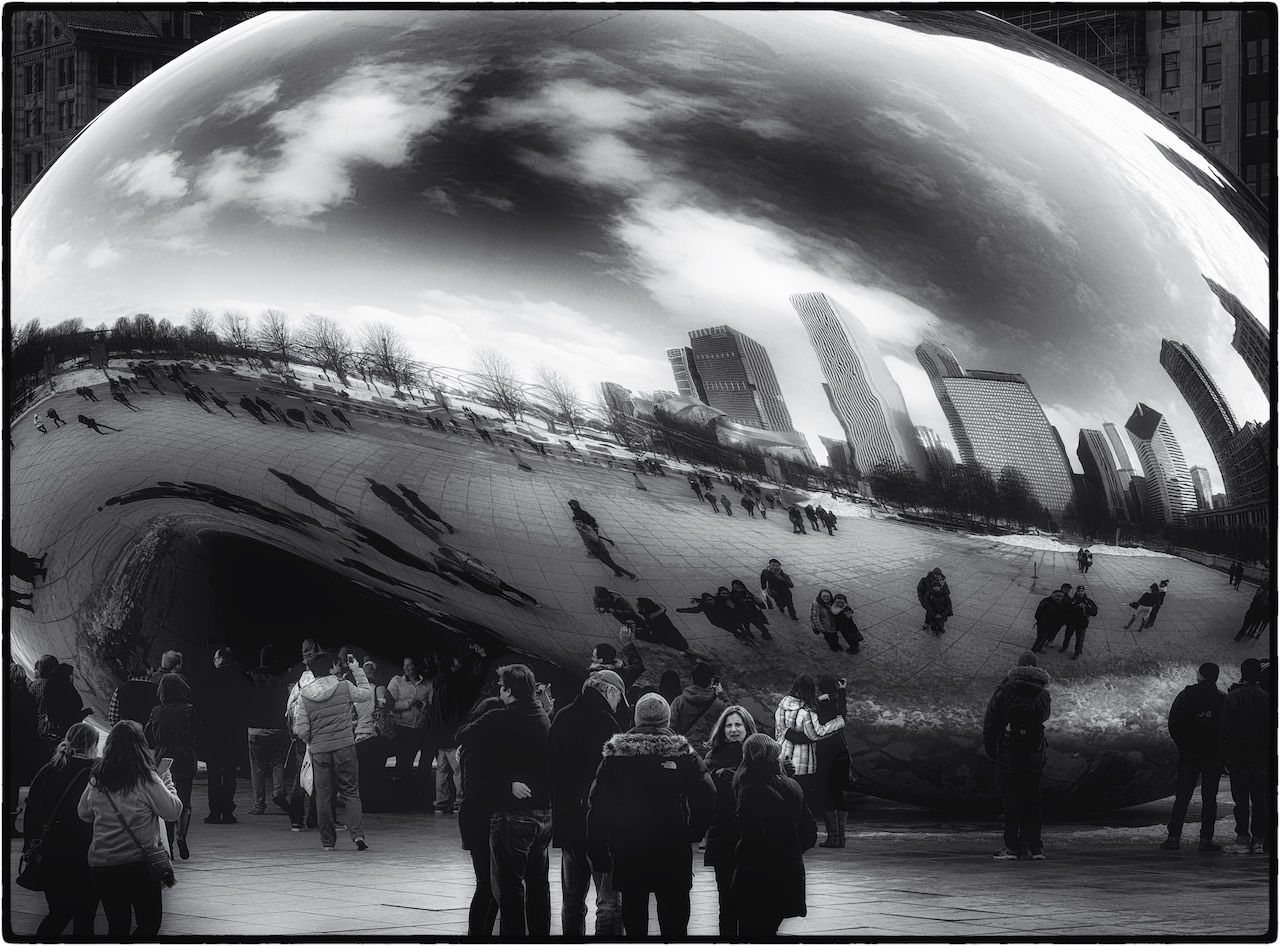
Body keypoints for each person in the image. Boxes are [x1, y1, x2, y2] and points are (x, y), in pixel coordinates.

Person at [586, 693, 715, 939]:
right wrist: (694, 831)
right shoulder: (683, 753)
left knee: (634, 916)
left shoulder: (615, 755)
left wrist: (598, 850)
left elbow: (598, 805)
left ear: (636, 718)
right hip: (672, 846)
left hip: (629, 846)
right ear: (667, 720)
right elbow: (707, 793)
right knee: (674, 917)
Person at [455, 664, 552, 938]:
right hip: (486, 819)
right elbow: (474, 786)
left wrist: (507, 785)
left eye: (502, 688)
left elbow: (461, 735)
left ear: (509, 690)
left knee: (504, 891)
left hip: (507, 817)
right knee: (493, 886)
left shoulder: (503, 722)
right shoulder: (539, 717)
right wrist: (506, 785)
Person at [77, 721, 183, 939]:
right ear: (140, 745)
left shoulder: (97, 777)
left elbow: (83, 813)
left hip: (103, 865)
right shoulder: (146, 778)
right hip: (138, 867)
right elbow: (172, 812)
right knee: (149, 923)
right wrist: (168, 782)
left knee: (117, 926)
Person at [548, 670, 626, 937]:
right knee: (608, 901)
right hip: (599, 826)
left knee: (571, 900)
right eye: (619, 699)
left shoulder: (561, 717)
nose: (618, 706)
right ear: (610, 692)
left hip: (568, 823)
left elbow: (551, 768)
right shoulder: (605, 722)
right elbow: (615, 776)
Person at [731, 733, 817, 939]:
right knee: (769, 929)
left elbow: (753, 838)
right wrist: (791, 850)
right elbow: (810, 832)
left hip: (758, 878)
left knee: (753, 931)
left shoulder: (751, 790)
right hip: (788, 871)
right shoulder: (793, 785)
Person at [23, 722, 99, 938]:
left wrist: (31, 843)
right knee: (85, 919)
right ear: (93, 744)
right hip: (86, 854)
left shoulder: (49, 769)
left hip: (52, 854)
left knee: (57, 912)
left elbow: (32, 810)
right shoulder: (97, 771)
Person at [293, 651, 373, 851]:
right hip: (345, 746)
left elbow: (301, 729)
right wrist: (357, 669)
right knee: (350, 792)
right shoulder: (344, 686)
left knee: (323, 796)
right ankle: (357, 836)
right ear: (331, 668)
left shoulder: (304, 696)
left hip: (320, 751)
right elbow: (366, 693)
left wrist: (314, 740)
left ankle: (328, 842)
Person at [982, 652, 1051, 860]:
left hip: (1009, 752)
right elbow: (1044, 717)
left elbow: (991, 722)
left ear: (1017, 667)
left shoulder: (1004, 691)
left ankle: (1011, 847)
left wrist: (992, 749)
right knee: (1033, 800)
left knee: (1011, 800)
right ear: (1037, 669)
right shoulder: (1043, 694)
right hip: (1035, 754)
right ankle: (1035, 847)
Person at [702, 705, 758, 938]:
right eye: (729, 725)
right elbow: (703, 794)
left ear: (747, 728)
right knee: (726, 900)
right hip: (723, 837)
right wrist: (715, 776)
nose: (733, 730)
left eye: (738, 725)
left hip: (752, 837)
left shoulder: (757, 755)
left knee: (751, 902)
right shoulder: (712, 757)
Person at [1161, 662, 1225, 852]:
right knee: (1209, 798)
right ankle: (1205, 840)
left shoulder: (1185, 696)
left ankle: (1173, 838)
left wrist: (1183, 744)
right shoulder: (1222, 699)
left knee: (1182, 796)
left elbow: (1174, 722)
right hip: (1212, 755)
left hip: (1189, 754)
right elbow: (1226, 727)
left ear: (1200, 676)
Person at [457, 696, 503, 937]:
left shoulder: (477, 744)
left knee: (491, 885)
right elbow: (474, 786)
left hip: (478, 818)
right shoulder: (475, 747)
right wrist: (507, 786)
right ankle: (476, 935)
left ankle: (480, 934)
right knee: (487, 884)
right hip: (478, 820)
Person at [144, 673, 203, 860]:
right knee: (184, 801)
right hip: (185, 757)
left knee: (166, 800)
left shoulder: (156, 711)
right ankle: (181, 836)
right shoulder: (188, 709)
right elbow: (200, 730)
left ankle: (168, 844)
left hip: (163, 759)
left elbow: (147, 735)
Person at [429, 646, 490, 816]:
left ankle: (441, 804)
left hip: (439, 735)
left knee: (441, 770)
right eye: (456, 659)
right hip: (451, 736)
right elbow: (472, 684)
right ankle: (460, 802)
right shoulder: (452, 684)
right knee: (458, 770)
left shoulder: (439, 682)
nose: (459, 662)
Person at [1218, 658, 1270, 854]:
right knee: (1259, 800)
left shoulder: (1233, 697)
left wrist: (1222, 757)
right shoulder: (1266, 697)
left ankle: (1242, 837)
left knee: (1241, 801)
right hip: (1261, 757)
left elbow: (1225, 729)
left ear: (1242, 673)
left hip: (1239, 757)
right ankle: (1258, 839)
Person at [775, 674, 845, 818]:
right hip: (803, 763)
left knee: (784, 798)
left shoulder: (782, 706)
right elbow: (816, 734)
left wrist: (791, 734)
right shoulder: (807, 712)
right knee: (801, 801)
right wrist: (838, 722)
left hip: (782, 757)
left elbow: (780, 731)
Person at [204, 647, 248, 823]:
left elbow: (202, 706)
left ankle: (214, 812)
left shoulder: (209, 679)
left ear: (221, 659)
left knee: (213, 775)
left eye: (215, 659)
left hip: (213, 735)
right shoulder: (242, 679)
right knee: (230, 774)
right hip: (233, 734)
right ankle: (228, 811)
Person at [246, 645, 291, 818]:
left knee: (257, 768)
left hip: (256, 728)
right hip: (277, 727)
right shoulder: (282, 678)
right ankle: (279, 792)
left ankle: (259, 804)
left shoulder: (251, 676)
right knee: (277, 762)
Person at [388, 655, 433, 809]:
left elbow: (432, 706)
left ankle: (419, 798)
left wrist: (423, 706)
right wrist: (408, 704)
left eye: (410, 665)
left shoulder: (427, 684)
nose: (406, 668)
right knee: (403, 763)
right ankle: (401, 799)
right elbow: (389, 704)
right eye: (404, 665)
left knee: (423, 764)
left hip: (420, 728)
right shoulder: (397, 681)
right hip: (402, 726)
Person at [814, 675, 851, 847]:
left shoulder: (819, 705)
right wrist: (842, 690)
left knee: (826, 793)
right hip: (841, 753)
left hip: (826, 753)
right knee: (839, 794)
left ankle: (833, 837)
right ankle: (841, 837)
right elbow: (843, 712)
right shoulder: (838, 703)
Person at [7, 665, 40, 829]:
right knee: (15, 785)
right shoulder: (28, 698)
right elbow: (33, 724)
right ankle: (11, 822)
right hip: (23, 748)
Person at [670, 663, 727, 747]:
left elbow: (670, 727)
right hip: (707, 751)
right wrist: (721, 694)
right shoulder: (719, 705)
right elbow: (733, 714)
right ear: (711, 681)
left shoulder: (679, 701)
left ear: (692, 679)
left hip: (684, 749)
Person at [108, 660, 159, 727]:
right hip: (150, 734)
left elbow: (113, 717)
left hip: (128, 733)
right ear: (148, 671)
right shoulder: (157, 690)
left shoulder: (121, 689)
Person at [1059, 585, 1098, 660]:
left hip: (1082, 624)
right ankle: (1064, 647)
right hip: (1071, 623)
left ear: (1084, 592)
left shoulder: (1089, 602)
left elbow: (1094, 612)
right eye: (1078, 591)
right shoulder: (1072, 600)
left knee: (1080, 639)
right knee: (1067, 636)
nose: (1080, 593)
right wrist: (1077, 606)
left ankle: (1077, 652)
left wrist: (1087, 609)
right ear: (1076, 592)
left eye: (1081, 591)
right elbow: (1066, 609)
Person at [1030, 589, 1067, 654]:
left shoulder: (1062, 604)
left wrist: (1060, 624)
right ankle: (1033, 651)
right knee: (1040, 638)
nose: (1059, 598)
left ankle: (1039, 648)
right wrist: (1044, 624)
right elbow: (1038, 615)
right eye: (1057, 596)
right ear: (1053, 596)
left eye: (1061, 597)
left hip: (1053, 626)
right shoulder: (1045, 602)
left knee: (1045, 638)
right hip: (1044, 626)